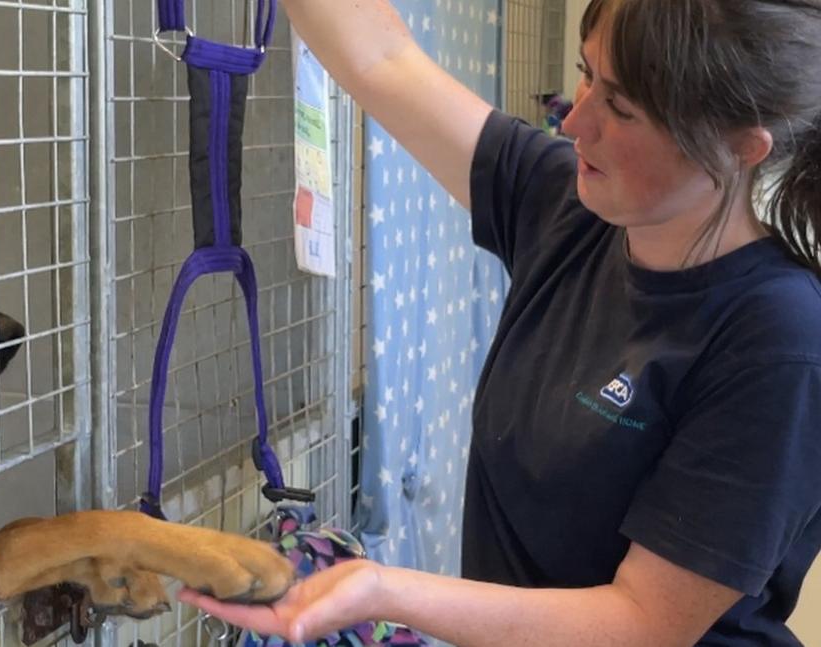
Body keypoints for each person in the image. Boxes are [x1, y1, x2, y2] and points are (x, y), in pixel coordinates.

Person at [179, 0, 821, 645]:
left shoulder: (779, 339)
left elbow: (641, 623)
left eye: (622, 108)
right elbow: (382, 59)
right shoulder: (571, 208)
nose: (576, 122)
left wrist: (384, 588)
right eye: (587, 73)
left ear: (741, 147)